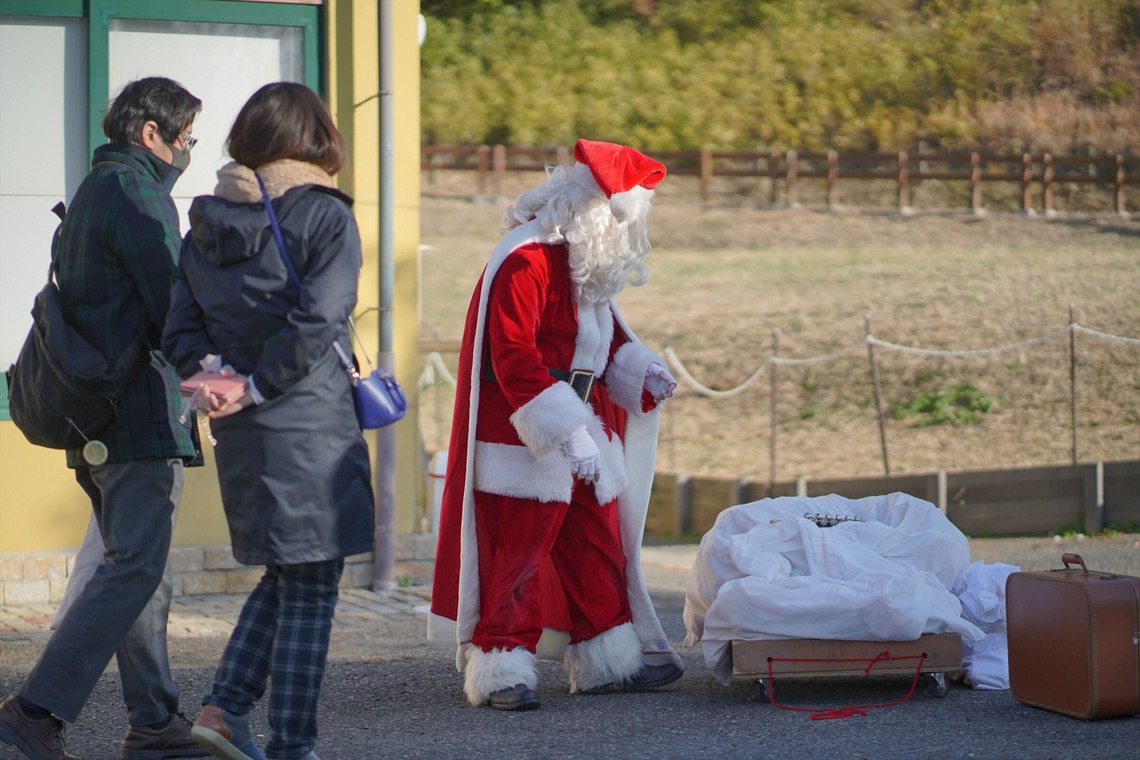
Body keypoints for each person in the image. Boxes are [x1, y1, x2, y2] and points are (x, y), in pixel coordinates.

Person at [428, 139, 685, 711]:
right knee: (519, 551)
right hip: (525, 436)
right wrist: (566, 431)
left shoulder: (583, 262)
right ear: (595, 210)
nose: (625, 236)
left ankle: (605, 662)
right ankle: (500, 669)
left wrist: (641, 373)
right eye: (622, 221)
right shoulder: (525, 259)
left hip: (578, 427)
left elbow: (600, 340)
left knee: (594, 544)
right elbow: (512, 358)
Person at [162, 82, 375, 760]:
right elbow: (322, 319)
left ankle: (225, 709)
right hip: (306, 426)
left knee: (291, 572)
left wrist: (213, 377)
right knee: (313, 585)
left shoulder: (206, 221)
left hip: (240, 430)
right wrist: (254, 385)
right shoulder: (324, 215)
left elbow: (179, 326)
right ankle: (293, 746)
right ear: (314, 139)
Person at [0, 76, 206, 760]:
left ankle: (154, 723)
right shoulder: (138, 193)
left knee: (135, 567)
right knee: (134, 567)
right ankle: (34, 711)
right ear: (151, 134)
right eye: (186, 139)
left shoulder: (93, 190)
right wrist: (218, 373)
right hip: (138, 413)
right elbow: (171, 307)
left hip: (98, 415)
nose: (187, 153)